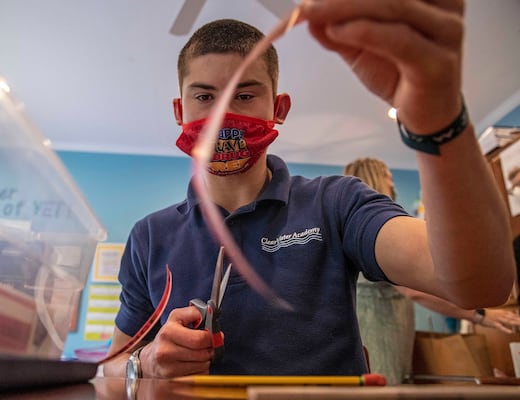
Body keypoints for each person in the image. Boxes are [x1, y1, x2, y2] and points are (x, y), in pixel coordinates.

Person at [104, 1, 515, 379]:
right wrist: (146, 362)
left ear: (278, 109)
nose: (223, 115)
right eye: (204, 96)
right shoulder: (149, 237)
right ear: (180, 111)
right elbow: (108, 370)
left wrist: (436, 113)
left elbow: (480, 284)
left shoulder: (336, 204)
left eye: (244, 95)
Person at [344, 157, 520, 384]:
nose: (393, 185)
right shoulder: (375, 234)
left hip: (377, 336)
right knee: (383, 387)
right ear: (376, 178)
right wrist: (480, 315)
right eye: (389, 177)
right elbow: (412, 289)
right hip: (380, 339)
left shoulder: (356, 229)